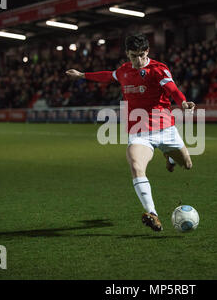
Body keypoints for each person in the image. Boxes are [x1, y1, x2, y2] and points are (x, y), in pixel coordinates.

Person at [65, 33, 196, 232]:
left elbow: (172, 89)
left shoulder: (158, 70)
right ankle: (153, 213)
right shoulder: (124, 71)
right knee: (136, 166)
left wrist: (183, 102)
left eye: (142, 55)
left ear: (148, 52)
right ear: (127, 53)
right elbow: (108, 76)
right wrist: (83, 75)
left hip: (166, 129)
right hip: (139, 132)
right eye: (134, 55)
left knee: (187, 165)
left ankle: (168, 156)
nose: (139, 60)